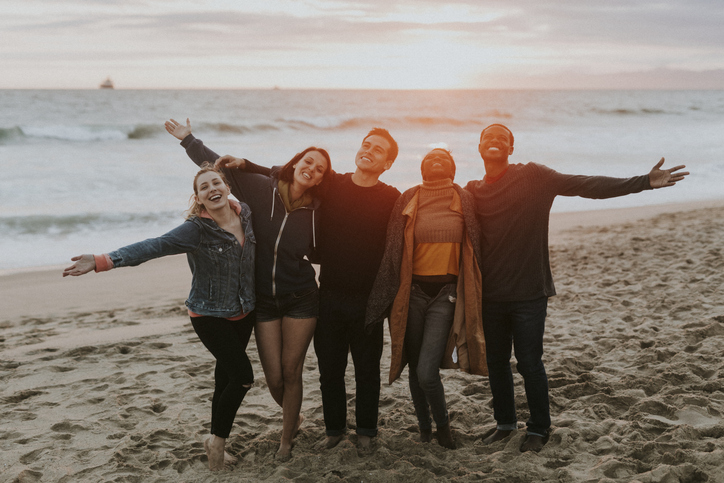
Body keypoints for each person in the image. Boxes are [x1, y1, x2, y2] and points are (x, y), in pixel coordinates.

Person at [166, 119, 400, 452]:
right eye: (367, 144)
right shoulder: (333, 184)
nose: (369, 151)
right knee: (328, 371)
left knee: (367, 371)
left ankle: (365, 433)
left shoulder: (389, 197)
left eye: (379, 150)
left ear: (387, 163)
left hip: (365, 300)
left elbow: (409, 232)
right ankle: (334, 431)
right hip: (328, 295)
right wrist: (195, 143)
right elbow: (266, 173)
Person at [464, 123, 690, 452]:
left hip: (529, 292)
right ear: (480, 146)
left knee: (529, 363)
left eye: (503, 138)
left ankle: (539, 428)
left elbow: (585, 185)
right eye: (489, 137)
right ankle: (504, 424)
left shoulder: (533, 176)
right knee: (497, 362)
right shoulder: (473, 190)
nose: (495, 141)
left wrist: (643, 182)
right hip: (490, 295)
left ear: (511, 149)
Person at [63, 165, 256, 471]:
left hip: (244, 312)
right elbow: (155, 245)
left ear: (227, 187)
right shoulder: (196, 229)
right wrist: (103, 260)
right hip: (208, 314)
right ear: (199, 198)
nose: (212, 189)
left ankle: (214, 437)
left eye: (216, 182)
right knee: (243, 377)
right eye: (204, 187)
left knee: (226, 378)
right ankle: (217, 445)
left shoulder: (246, 214)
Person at [165, 119, 332, 460]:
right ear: (296, 163)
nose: (312, 170)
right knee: (273, 379)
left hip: (301, 297)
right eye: (308, 162)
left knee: (292, 371)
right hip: (264, 301)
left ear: (321, 178)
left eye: (319, 170)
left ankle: (286, 441)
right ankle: (293, 416)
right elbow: (216, 172)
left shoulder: (320, 211)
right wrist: (188, 140)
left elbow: (324, 249)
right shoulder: (261, 188)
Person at [365, 148, 487, 449]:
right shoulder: (408, 198)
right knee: (414, 363)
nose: (437, 160)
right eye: (431, 158)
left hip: (446, 296)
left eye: (444, 158)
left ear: (453, 169)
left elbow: (480, 240)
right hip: (413, 294)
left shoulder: (464, 199)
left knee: (426, 371)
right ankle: (424, 427)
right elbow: (393, 247)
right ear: (422, 169)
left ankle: (443, 426)